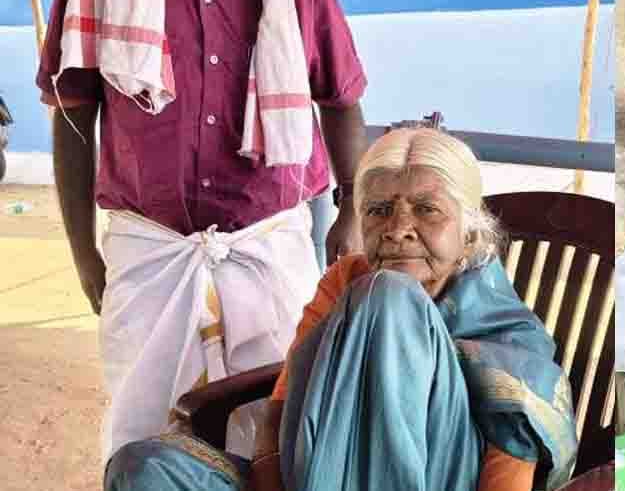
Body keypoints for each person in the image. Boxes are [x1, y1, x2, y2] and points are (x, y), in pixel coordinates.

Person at [33, 0, 367, 461]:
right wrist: (83, 253)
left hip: (270, 251)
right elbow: (73, 123)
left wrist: (350, 209)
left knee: (278, 437)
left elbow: (342, 101)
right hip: (149, 257)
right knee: (146, 440)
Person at [104, 128, 579, 491]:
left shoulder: (509, 340)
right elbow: (281, 409)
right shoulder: (347, 280)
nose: (398, 228)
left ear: (469, 232)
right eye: (378, 210)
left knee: (389, 297)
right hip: (312, 473)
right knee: (141, 467)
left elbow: (507, 474)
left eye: (426, 210)